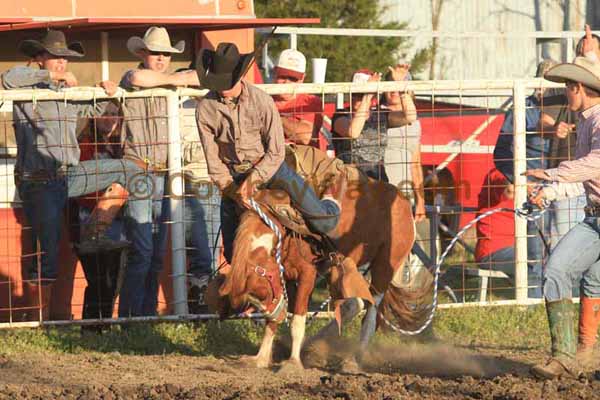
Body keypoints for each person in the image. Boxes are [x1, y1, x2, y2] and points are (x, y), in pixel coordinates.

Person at [2, 30, 142, 319]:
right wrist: (52, 80)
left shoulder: (71, 94)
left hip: (70, 175)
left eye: (64, 58)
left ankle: (96, 230)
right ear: (40, 59)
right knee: (48, 253)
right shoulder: (26, 89)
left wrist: (106, 88)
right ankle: (37, 321)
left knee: (131, 168)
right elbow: (8, 77)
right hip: (39, 179)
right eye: (54, 57)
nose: (61, 63)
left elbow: (102, 107)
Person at [195, 42, 345, 264]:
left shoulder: (261, 101)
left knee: (325, 222)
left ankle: (331, 201)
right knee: (231, 254)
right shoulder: (206, 109)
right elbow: (213, 160)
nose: (222, 87)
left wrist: (253, 179)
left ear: (238, 75)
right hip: (232, 175)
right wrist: (230, 188)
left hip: (271, 169)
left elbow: (275, 152)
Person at [117, 26, 199, 317]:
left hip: (166, 175)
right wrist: (173, 82)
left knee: (155, 255)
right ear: (143, 54)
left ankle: (146, 314)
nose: (162, 58)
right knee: (142, 251)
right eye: (156, 53)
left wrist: (171, 81)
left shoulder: (168, 80)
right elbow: (138, 78)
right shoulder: (131, 77)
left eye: (166, 53)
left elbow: (197, 77)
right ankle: (130, 317)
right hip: (139, 172)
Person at [526, 57, 600, 379]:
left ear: (578, 87)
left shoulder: (597, 121)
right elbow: (589, 180)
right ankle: (579, 356)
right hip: (595, 216)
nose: (565, 96)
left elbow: (595, 164)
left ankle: (568, 357)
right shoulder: (587, 122)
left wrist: (551, 173)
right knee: (591, 281)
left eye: (567, 89)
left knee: (557, 269)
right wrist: (550, 190)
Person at [492, 59, 559, 298]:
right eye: (543, 84)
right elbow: (500, 154)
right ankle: (532, 303)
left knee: (565, 250)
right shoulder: (522, 110)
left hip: (565, 189)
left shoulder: (569, 108)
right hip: (533, 191)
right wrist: (522, 182)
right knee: (535, 251)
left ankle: (565, 298)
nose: (545, 91)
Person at [70, 103, 126, 333]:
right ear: (93, 117)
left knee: (114, 279)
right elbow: (79, 187)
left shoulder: (122, 147)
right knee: (97, 278)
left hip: (120, 219)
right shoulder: (83, 145)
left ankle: (104, 325)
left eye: (114, 114)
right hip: (88, 217)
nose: (110, 119)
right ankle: (91, 328)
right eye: (104, 113)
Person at [331, 66, 413, 182]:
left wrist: (401, 87)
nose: (356, 98)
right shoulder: (341, 115)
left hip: (378, 183)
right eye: (354, 93)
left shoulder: (381, 114)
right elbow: (353, 132)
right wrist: (367, 96)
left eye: (361, 93)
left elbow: (410, 117)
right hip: (349, 183)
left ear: (374, 96)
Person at [272, 49, 327, 151]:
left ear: (302, 78)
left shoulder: (310, 101)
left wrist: (273, 117)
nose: (286, 83)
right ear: (274, 72)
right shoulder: (262, 98)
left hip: (302, 163)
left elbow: (306, 137)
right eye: (282, 76)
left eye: (293, 79)